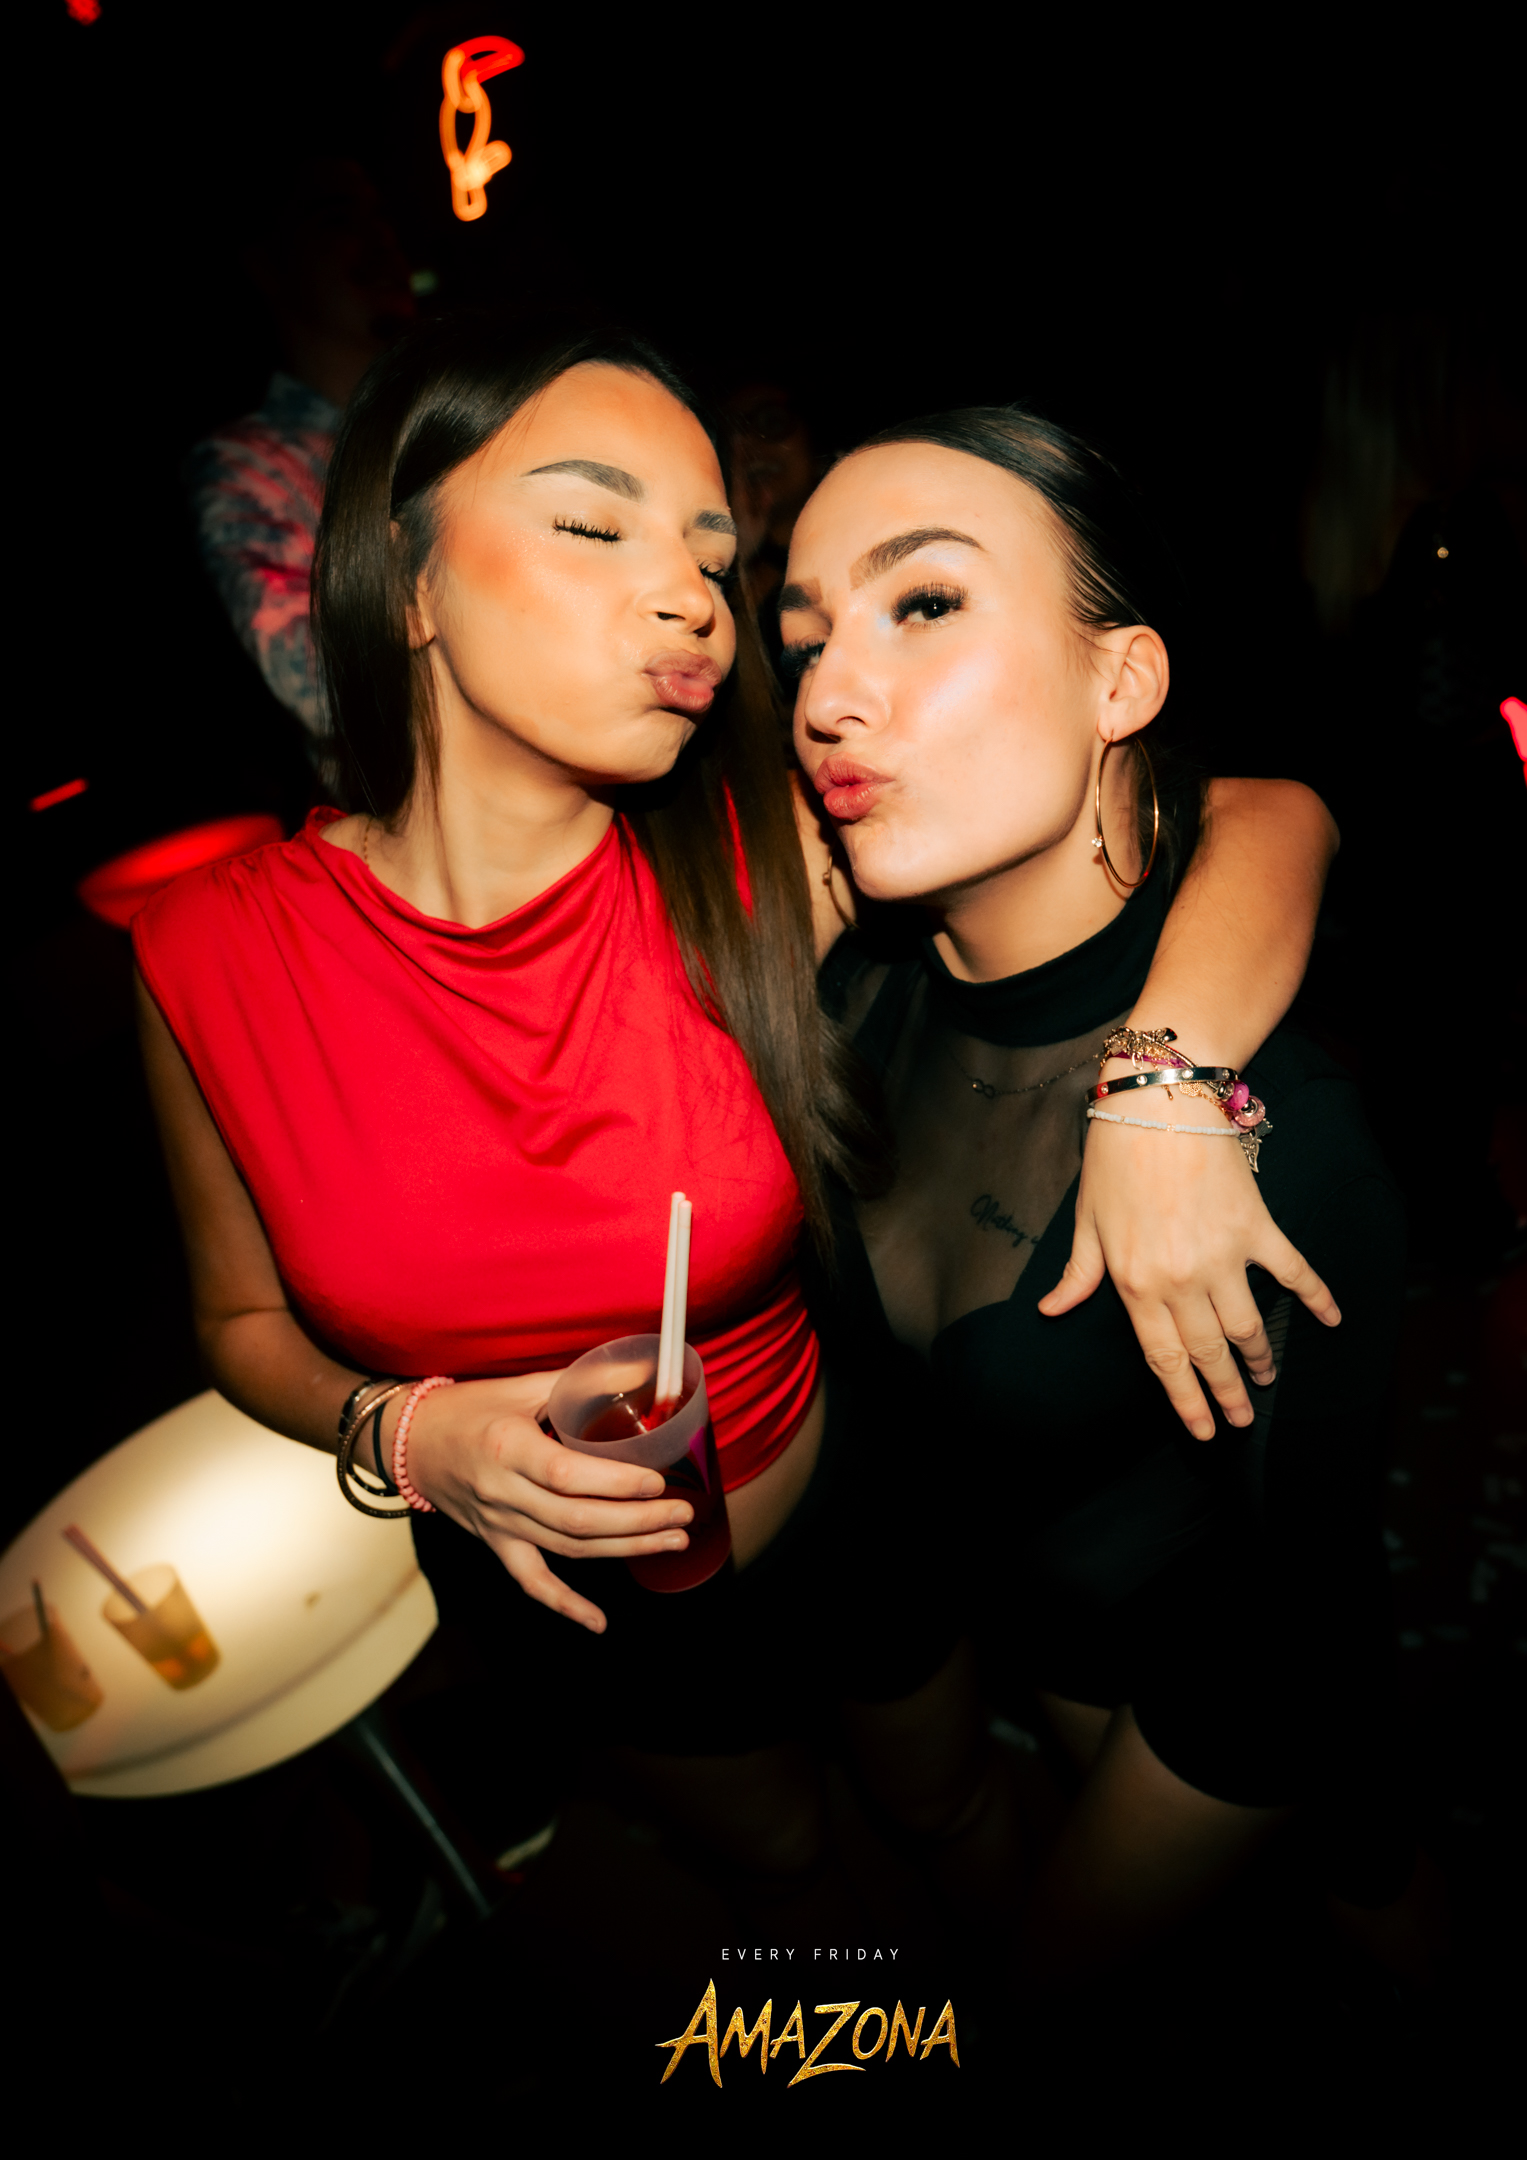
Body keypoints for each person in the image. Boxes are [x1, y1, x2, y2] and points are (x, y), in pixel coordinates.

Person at [134, 319, 1336, 1906]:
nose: (692, 597)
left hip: (853, 1519)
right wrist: (411, 1434)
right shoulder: (208, 952)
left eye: (713, 556)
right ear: (408, 579)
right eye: (595, 523)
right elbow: (236, 1322)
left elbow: (1262, 811)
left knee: (947, 1811)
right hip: (561, 1594)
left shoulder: (761, 861)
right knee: (785, 1867)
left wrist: (1167, 1084)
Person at [785, 406, 1426, 1981]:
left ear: (1121, 682)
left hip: (1220, 1715)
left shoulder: (1278, 1138)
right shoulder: (846, 1003)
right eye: (803, 640)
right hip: (1026, 1653)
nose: (827, 697)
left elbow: (1290, 1642)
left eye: (925, 601)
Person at [185, 157, 417, 792]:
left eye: (381, 218)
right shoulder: (247, 468)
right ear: (267, 264)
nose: (381, 239)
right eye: (337, 220)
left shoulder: (466, 418)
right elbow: (330, 695)